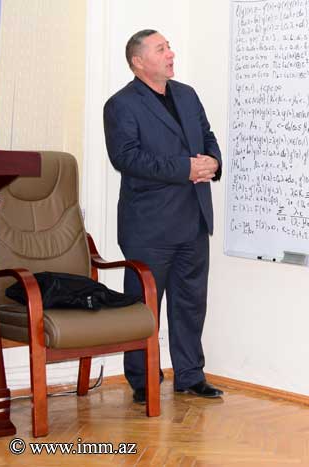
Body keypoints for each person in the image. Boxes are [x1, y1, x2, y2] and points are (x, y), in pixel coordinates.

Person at [103, 29, 223, 403]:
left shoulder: (187, 95)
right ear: (139, 62)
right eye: (161, 49)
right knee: (145, 306)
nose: (171, 53)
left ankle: (190, 375)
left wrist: (213, 162)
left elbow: (207, 136)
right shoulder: (121, 105)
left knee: (191, 303)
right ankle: (143, 379)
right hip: (149, 226)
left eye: (169, 47)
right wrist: (185, 168)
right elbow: (127, 158)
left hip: (193, 218)